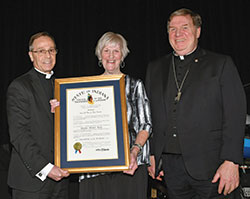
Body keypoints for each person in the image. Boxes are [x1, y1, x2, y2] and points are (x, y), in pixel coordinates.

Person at [145, 8, 246, 199]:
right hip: (171, 170)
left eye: (185, 27)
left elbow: (235, 115)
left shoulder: (221, 64)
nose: (178, 34)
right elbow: (151, 116)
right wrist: (152, 154)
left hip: (213, 167)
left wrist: (232, 161)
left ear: (197, 31)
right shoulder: (155, 68)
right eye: (172, 29)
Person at [50, 31, 152, 199]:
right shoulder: (83, 88)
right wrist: (61, 110)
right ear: (99, 55)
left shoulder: (135, 85)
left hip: (130, 167)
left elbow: (146, 124)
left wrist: (134, 151)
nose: (111, 56)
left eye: (116, 51)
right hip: (93, 169)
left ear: (123, 55)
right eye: (106, 50)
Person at [6, 31, 69, 199]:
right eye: (41, 51)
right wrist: (47, 168)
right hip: (31, 182)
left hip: (61, 182)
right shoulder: (19, 86)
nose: (47, 55)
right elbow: (19, 135)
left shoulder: (64, 87)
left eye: (51, 50)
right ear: (31, 55)